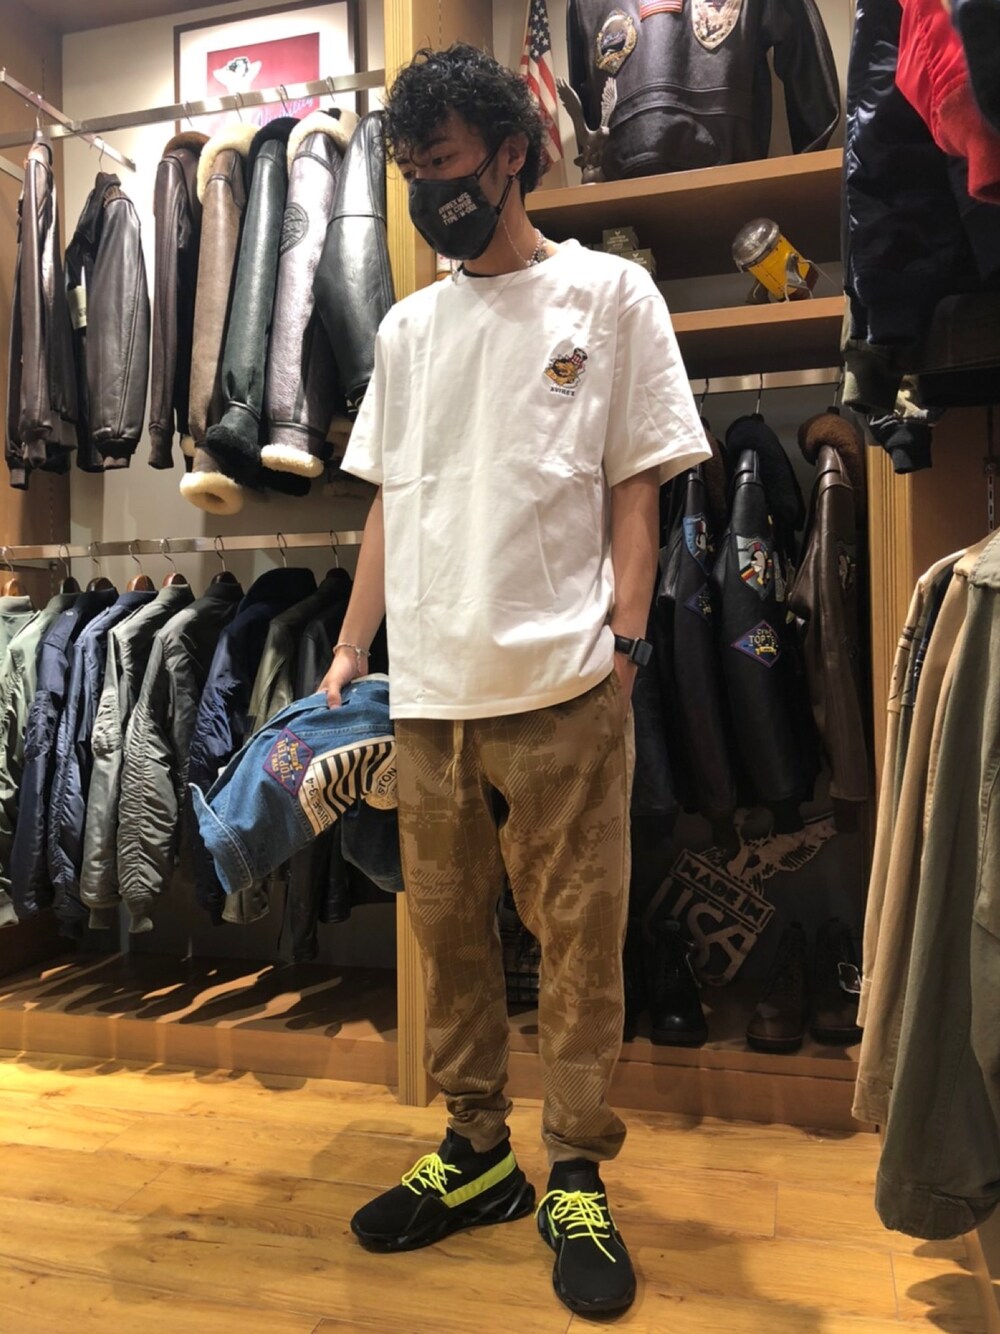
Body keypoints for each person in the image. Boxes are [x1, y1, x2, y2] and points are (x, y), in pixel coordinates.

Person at [319, 44, 709, 1319]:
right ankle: (477, 1149)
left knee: (580, 945)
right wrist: (351, 649)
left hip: (565, 682)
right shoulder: (407, 327)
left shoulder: (610, 295)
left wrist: (628, 646)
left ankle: (576, 1169)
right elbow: (389, 501)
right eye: (411, 170)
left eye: (442, 163)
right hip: (429, 690)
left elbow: (636, 482)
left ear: (508, 156)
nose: (428, 192)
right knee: (447, 936)